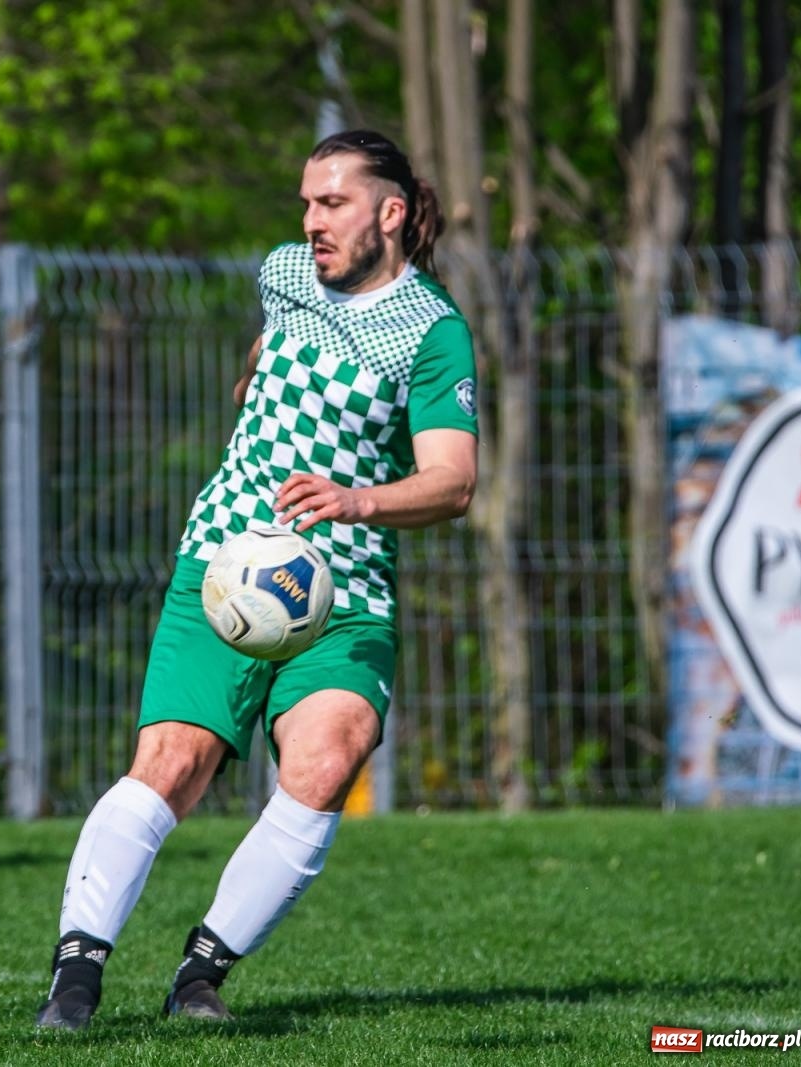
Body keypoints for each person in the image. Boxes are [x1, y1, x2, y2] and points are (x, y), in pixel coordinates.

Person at [35, 129, 479, 1030]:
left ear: (389, 214)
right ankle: (75, 980)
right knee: (172, 763)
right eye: (306, 203)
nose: (311, 222)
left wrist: (354, 500)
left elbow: (453, 481)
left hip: (345, 588)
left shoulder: (433, 334)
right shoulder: (284, 273)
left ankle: (200, 973)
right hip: (226, 562)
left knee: (328, 757)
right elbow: (266, 352)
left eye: (333, 204)